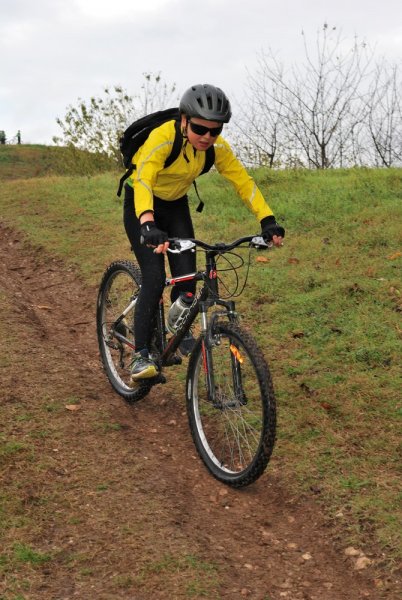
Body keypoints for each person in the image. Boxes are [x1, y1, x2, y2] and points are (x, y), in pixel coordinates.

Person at [123, 83, 285, 381]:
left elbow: (242, 181)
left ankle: (173, 328)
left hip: (175, 206)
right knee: (155, 278)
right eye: (200, 128)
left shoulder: (215, 149)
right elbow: (144, 178)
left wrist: (267, 219)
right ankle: (140, 354)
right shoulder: (162, 138)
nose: (207, 137)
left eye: (215, 131)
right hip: (142, 204)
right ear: (184, 121)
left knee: (187, 284)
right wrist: (147, 221)